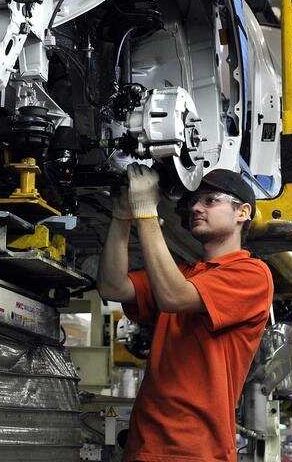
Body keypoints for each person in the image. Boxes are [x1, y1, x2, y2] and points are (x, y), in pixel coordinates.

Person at [98, 164, 273, 462]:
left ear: (242, 212)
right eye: (194, 201)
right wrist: (122, 217)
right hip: (144, 445)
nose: (195, 208)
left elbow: (174, 296)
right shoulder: (185, 273)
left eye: (210, 200)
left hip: (196, 449)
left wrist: (147, 212)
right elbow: (113, 287)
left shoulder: (253, 274)